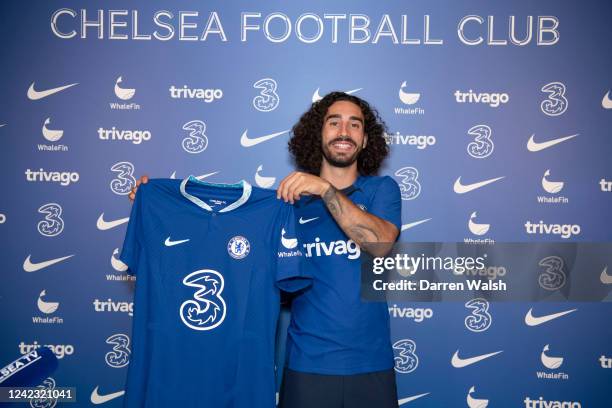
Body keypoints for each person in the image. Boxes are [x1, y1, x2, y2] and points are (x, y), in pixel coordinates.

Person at [129, 92, 401, 408]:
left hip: (372, 364)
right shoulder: (285, 207)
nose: (344, 131)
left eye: (355, 125)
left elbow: (378, 244)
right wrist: (156, 206)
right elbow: (224, 245)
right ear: (318, 134)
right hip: (307, 366)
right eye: (334, 122)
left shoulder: (382, 190)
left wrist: (325, 189)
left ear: (365, 140)